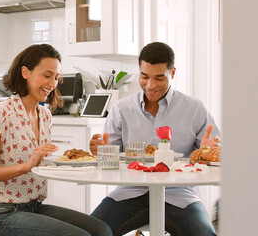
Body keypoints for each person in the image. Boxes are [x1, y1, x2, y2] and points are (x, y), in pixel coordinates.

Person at [89, 42, 221, 236]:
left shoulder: (194, 109)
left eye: (159, 77)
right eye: (144, 76)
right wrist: (101, 152)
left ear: (172, 73)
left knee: (203, 233)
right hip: (129, 193)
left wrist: (210, 153)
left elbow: (215, 156)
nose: (150, 86)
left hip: (179, 195)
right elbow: (111, 161)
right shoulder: (121, 109)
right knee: (90, 231)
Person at [0, 44, 112, 236]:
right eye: (47, 75)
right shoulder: (1, 113)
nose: (52, 83)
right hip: (2, 212)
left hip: (34, 206)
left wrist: (87, 155)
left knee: (102, 230)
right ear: (25, 72)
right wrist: (26, 166)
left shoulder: (45, 115)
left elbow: (45, 163)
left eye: (56, 77)